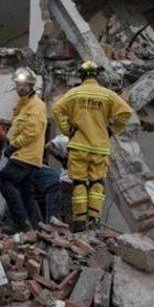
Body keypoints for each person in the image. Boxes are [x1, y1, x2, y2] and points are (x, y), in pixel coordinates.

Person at [51, 60, 133, 231]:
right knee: (97, 183)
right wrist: (111, 130)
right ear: (97, 75)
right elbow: (126, 112)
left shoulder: (74, 94)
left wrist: (68, 131)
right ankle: (94, 219)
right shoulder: (107, 95)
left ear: (81, 75)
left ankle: (80, 221)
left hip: (79, 146)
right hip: (99, 147)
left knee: (79, 183)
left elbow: (56, 109)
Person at [0, 67, 47, 232]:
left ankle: (21, 222)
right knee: (26, 192)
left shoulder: (36, 105)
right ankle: (32, 228)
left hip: (25, 154)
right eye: (18, 84)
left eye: (24, 85)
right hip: (26, 155)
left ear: (31, 85)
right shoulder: (22, 105)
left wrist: (13, 145)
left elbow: (31, 132)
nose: (20, 88)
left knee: (4, 181)